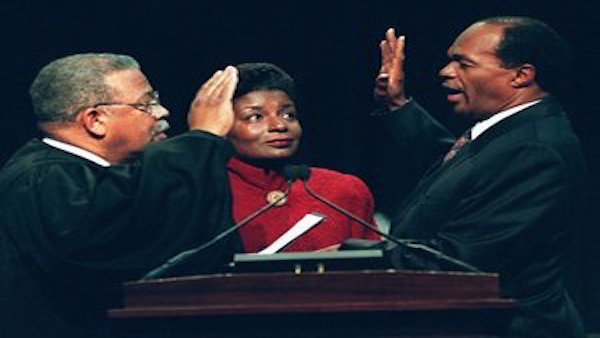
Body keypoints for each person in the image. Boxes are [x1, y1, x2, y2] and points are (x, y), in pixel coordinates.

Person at [361, 16, 588, 337]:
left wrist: (355, 255)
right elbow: (457, 168)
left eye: (463, 64)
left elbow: (461, 261)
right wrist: (397, 105)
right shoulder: (512, 134)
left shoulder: (536, 150)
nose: (445, 71)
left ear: (521, 75)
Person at [0, 53, 242, 338]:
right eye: (147, 103)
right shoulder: (42, 179)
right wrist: (202, 139)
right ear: (95, 119)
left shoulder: (81, 175)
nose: (162, 112)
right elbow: (120, 240)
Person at [226, 62, 379, 253]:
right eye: (255, 117)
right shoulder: (208, 194)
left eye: (288, 114)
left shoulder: (343, 191)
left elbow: (375, 274)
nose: (279, 125)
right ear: (222, 125)